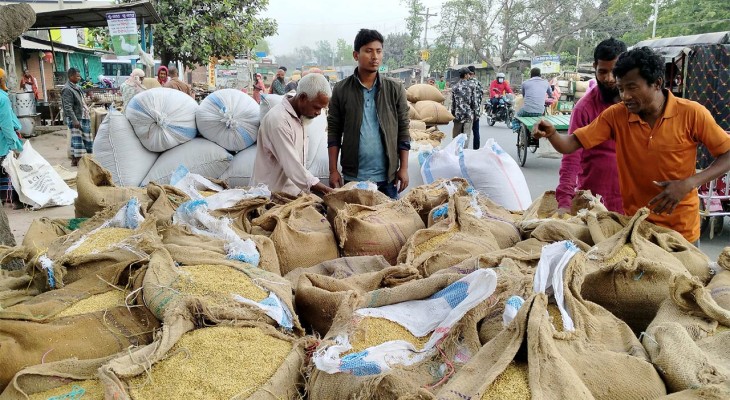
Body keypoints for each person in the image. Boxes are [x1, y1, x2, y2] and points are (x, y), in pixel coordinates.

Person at [533, 47, 730, 243]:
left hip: (681, 232)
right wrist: (551, 134)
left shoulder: (692, 113)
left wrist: (689, 183)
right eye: (621, 89)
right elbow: (570, 145)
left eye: (632, 87)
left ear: (656, 83)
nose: (625, 96)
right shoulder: (616, 115)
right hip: (635, 228)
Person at [327, 28, 410, 199]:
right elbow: (334, 132)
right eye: (369, 51)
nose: (375, 57)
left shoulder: (394, 88)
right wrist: (333, 170)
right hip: (353, 177)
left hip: (387, 178)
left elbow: (403, 129)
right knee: (355, 224)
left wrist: (404, 168)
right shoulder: (341, 90)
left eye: (379, 51)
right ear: (356, 55)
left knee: (389, 223)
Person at [556, 38, 627, 214]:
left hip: (632, 202)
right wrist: (565, 201)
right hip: (594, 204)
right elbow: (571, 158)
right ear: (594, 66)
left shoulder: (638, 105)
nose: (609, 79)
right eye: (602, 72)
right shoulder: (584, 108)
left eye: (615, 72)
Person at [251, 73, 333, 196]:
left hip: (291, 195)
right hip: (270, 197)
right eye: (316, 107)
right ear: (303, 98)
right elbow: (293, 167)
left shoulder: (300, 116)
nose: (318, 113)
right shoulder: (279, 121)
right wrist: (327, 191)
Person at [0, 68, 24, 209]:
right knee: (10, 169)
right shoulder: (2, 98)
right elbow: (6, 125)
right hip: (3, 141)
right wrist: (14, 145)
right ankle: (14, 201)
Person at [61, 68, 93, 167]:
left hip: (83, 116)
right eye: (77, 76)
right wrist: (74, 120)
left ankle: (75, 161)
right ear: (71, 76)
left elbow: (81, 102)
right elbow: (67, 107)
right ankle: (80, 162)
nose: (79, 78)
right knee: (78, 140)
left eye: (79, 76)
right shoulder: (67, 89)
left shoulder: (76, 87)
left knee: (83, 139)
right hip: (76, 118)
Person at [450, 67, 478, 149]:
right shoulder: (472, 86)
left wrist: (453, 114)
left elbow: (453, 104)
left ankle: (455, 152)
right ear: (465, 75)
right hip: (468, 115)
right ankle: (464, 153)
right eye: (468, 74)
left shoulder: (455, 87)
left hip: (458, 115)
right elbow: (474, 102)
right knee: (466, 136)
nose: (469, 75)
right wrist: (475, 114)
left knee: (456, 136)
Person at [468, 65, 484, 149]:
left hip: (466, 112)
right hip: (476, 112)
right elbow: (481, 97)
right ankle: (476, 149)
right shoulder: (478, 83)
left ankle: (463, 150)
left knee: (464, 132)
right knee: (476, 132)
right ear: (474, 73)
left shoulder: (465, 83)